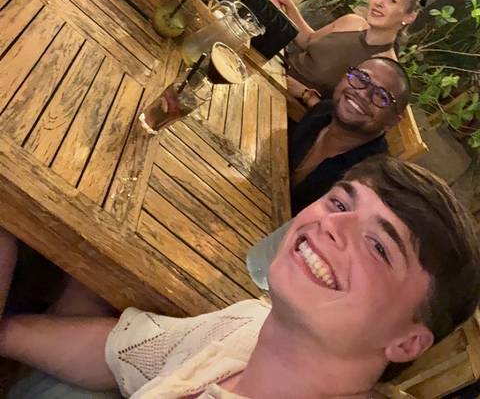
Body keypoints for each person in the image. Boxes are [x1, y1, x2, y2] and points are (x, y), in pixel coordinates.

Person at [0, 156, 479, 399]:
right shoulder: (249, 323)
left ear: (406, 344)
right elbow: (127, 350)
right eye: (339, 202)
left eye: (379, 247)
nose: (331, 226)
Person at [267, 0, 421, 105]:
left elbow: (342, 115)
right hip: (274, 69)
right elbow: (307, 41)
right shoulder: (351, 21)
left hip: (288, 102)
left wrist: (306, 94)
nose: (379, 2)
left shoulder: (383, 67)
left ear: (409, 17)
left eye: (392, 0)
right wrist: (287, 4)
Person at [289, 56, 409, 214]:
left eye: (381, 96)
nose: (363, 94)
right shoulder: (323, 111)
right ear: (344, 77)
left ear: (393, 121)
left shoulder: (367, 180)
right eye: (361, 78)